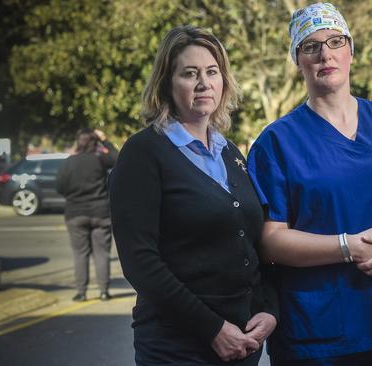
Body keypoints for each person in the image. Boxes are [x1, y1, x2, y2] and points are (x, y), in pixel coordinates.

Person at [247, 3, 372, 365]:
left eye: (335, 41)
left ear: (351, 51)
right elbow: (269, 240)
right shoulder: (276, 142)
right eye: (310, 46)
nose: (325, 54)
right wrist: (346, 247)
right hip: (320, 336)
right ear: (298, 61)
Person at [108, 25, 278, 366]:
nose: (204, 83)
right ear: (167, 85)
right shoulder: (143, 152)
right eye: (190, 73)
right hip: (177, 347)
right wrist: (213, 329)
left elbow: (255, 243)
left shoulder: (230, 153)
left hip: (243, 344)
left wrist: (269, 309)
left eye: (212, 72)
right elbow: (140, 262)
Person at [56, 128, 117, 302]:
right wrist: (105, 140)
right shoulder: (99, 160)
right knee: (102, 253)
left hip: (75, 213)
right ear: (95, 143)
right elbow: (117, 158)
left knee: (80, 253)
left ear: (77, 142)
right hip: (100, 213)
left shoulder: (69, 162)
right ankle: (104, 291)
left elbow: (59, 186)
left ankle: (81, 292)